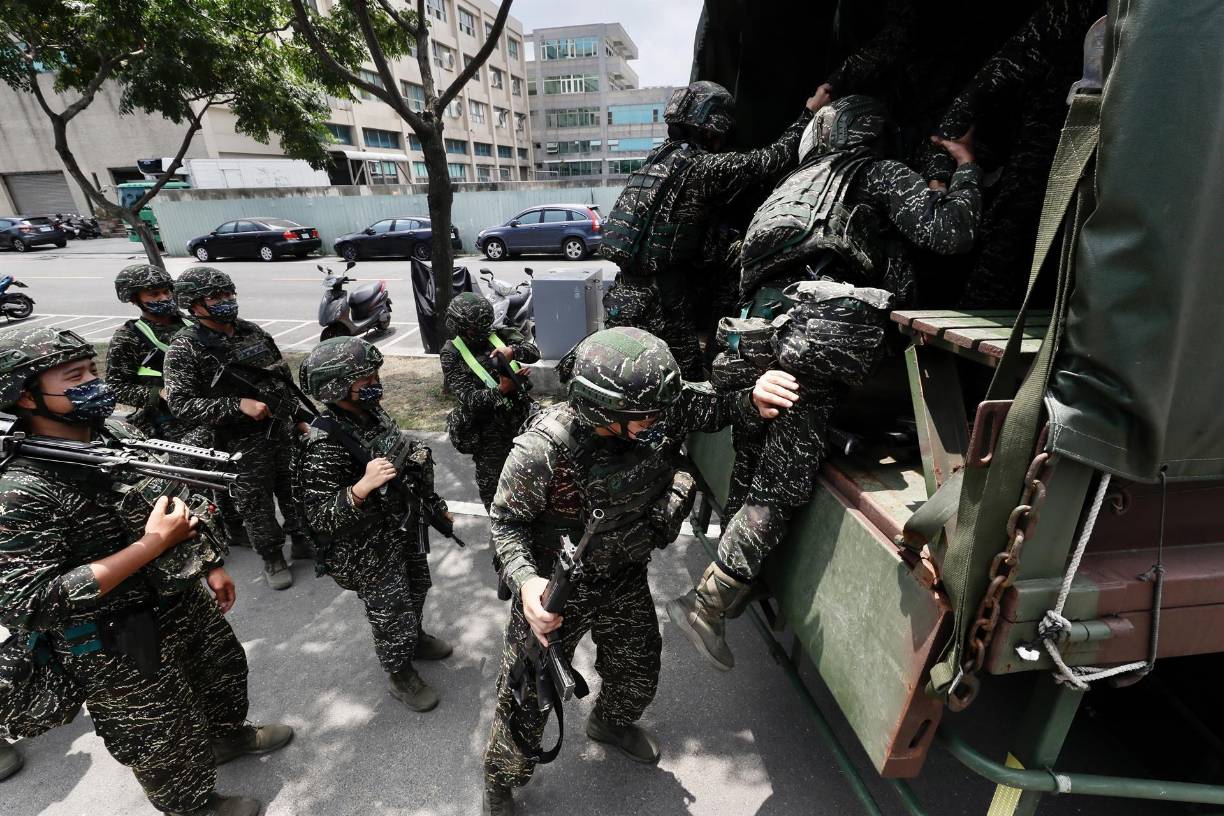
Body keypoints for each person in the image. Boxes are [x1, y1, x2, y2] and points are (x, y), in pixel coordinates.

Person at [669, 94, 983, 671]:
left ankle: (745, 578)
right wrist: (962, 167)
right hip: (812, 342)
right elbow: (950, 232)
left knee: (752, 456)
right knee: (781, 485)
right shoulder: (874, 173)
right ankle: (708, 603)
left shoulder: (788, 188)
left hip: (748, 341)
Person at [480, 326, 798, 815]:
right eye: (642, 417)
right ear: (601, 410)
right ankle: (501, 780)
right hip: (558, 588)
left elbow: (708, 406)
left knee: (638, 671)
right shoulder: (543, 449)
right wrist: (526, 584)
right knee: (527, 699)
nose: (657, 420)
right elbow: (505, 524)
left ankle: (609, 722)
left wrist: (751, 397)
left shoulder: (653, 406)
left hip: (624, 572)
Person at [0, 325, 292, 816]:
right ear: (26, 398)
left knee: (222, 675)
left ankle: (227, 738)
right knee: (160, 734)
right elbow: (32, 603)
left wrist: (209, 561)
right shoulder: (19, 491)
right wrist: (152, 544)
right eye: (75, 376)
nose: (94, 382)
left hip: (180, 599)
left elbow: (170, 494)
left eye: (92, 369)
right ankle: (194, 806)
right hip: (117, 639)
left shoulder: (116, 434)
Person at [600, 80, 832, 380]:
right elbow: (772, 159)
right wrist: (809, 111)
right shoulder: (702, 168)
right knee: (685, 381)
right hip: (662, 299)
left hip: (625, 293)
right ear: (711, 129)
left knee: (626, 374)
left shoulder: (656, 161)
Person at [297, 337, 453, 711]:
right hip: (365, 547)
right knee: (390, 609)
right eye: (365, 379)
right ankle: (400, 673)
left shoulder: (374, 414)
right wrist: (361, 488)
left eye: (374, 374)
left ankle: (413, 638)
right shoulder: (324, 443)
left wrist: (434, 505)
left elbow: (404, 461)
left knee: (417, 585)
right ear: (336, 388)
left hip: (400, 526)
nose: (375, 383)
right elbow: (318, 515)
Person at [927, 0, 1105, 308]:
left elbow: (993, 79)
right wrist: (941, 168)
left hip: (1055, 155)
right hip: (1057, 154)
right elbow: (992, 81)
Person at [163, 268, 307, 591]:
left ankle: (301, 539)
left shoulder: (251, 332)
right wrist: (236, 405)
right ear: (194, 305)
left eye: (229, 294)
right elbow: (181, 404)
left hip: (279, 431)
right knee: (255, 503)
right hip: (237, 443)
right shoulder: (185, 349)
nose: (226, 301)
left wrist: (297, 418)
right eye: (216, 297)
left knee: (293, 486)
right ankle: (272, 556)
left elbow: (280, 378)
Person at [439, 292, 540, 510]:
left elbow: (534, 352)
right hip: (489, 433)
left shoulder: (499, 335)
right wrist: (502, 390)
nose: (482, 333)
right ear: (459, 326)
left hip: (520, 419)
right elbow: (469, 399)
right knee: (496, 491)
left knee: (531, 476)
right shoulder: (452, 353)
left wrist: (513, 351)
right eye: (475, 329)